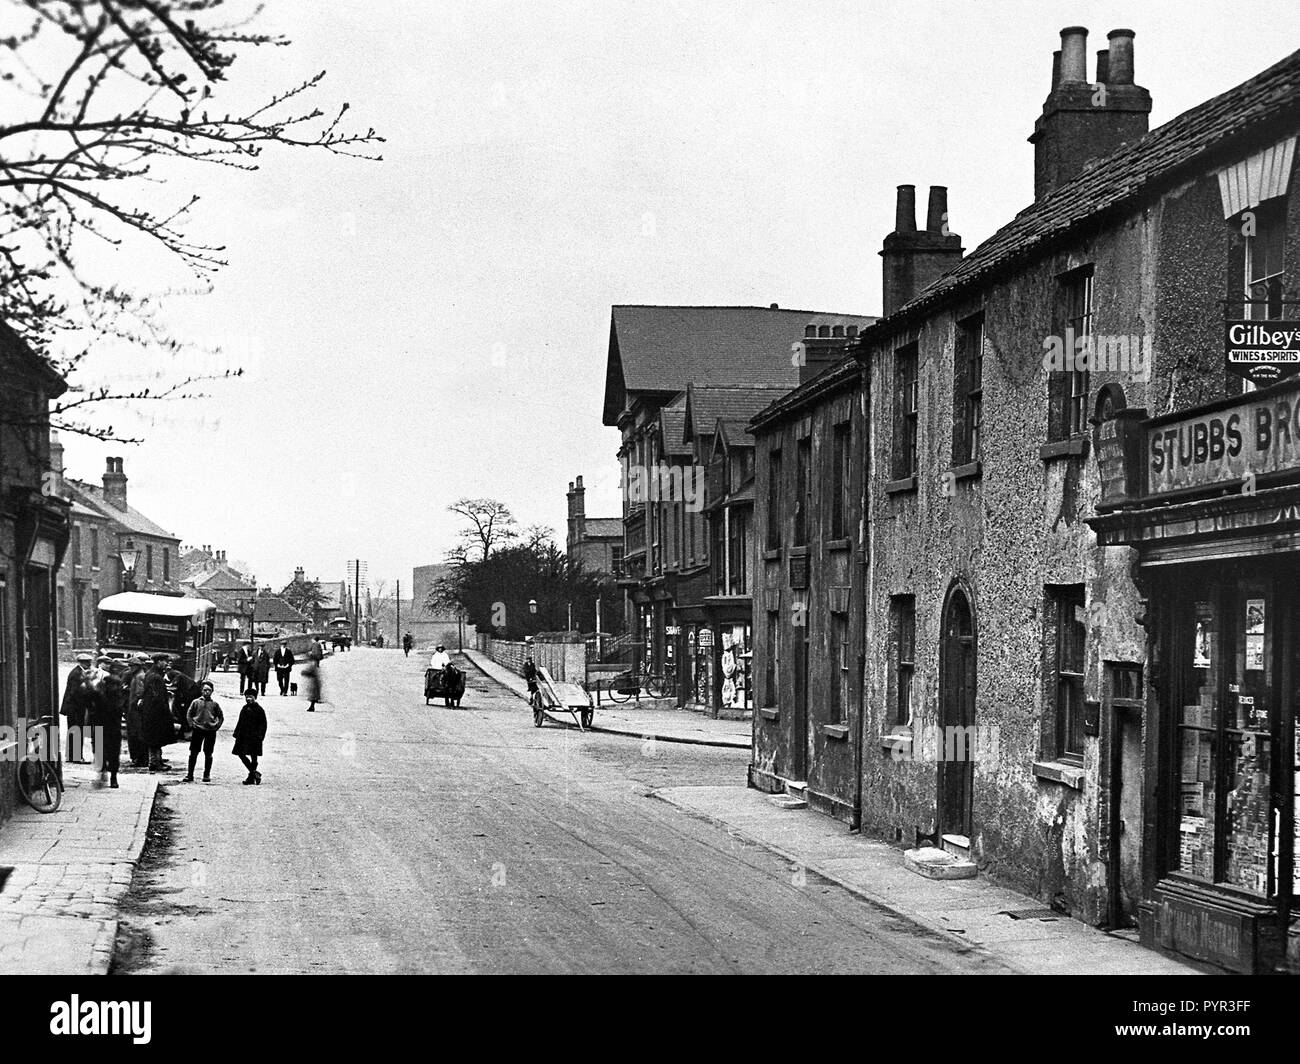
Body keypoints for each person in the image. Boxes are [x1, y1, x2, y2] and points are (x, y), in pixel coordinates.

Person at [87, 660, 124, 789]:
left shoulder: (100, 694)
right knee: (112, 753)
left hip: (102, 728)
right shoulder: (118, 697)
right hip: (111, 728)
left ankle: (106, 774)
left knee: (101, 752)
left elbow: (90, 702)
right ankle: (111, 777)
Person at [141, 655, 178, 772]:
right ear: (158, 662)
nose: (166, 664)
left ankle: (157, 760)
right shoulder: (155, 677)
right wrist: (164, 711)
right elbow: (156, 697)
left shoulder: (152, 674)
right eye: (164, 661)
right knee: (155, 738)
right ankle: (154, 762)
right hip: (155, 712)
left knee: (156, 737)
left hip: (152, 711)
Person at [185, 681, 224, 782]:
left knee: (208, 753)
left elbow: (220, 716)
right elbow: (189, 714)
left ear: (212, 692)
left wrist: (216, 726)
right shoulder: (196, 702)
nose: (207, 692)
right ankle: (190, 775)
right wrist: (191, 724)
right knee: (193, 753)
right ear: (201, 691)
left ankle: (206, 775)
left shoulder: (214, 704)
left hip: (210, 731)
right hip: (198, 730)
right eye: (205, 690)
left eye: (209, 690)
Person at [60, 651, 95, 763]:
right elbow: (76, 692)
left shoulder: (77, 672)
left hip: (73, 707)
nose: (89, 665)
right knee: (76, 731)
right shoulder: (77, 674)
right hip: (75, 708)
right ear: (83, 663)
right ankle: (75, 757)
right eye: (88, 663)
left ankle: (72, 756)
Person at [232, 689, 267, 785]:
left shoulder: (259, 710)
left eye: (250, 697)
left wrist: (260, 736)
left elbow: (263, 725)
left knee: (254, 756)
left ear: (255, 698)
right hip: (243, 736)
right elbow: (240, 721)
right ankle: (254, 773)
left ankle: (251, 777)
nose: (248, 699)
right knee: (240, 754)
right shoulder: (244, 708)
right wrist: (236, 732)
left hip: (254, 737)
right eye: (246, 697)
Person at [125, 654, 151, 767]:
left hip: (136, 710)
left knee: (137, 734)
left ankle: (141, 759)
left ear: (137, 666)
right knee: (136, 734)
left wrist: (134, 703)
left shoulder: (140, 676)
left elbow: (140, 693)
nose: (130, 668)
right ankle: (139, 758)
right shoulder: (138, 675)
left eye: (132, 666)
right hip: (134, 709)